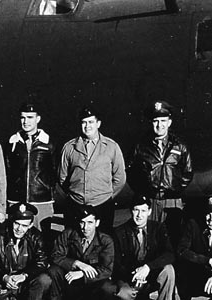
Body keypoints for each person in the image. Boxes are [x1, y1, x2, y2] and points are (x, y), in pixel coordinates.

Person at [127, 101, 193, 245]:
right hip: (151, 201)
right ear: (151, 123)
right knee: (150, 239)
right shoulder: (140, 146)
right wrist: (144, 191)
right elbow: (131, 173)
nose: (159, 125)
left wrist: (174, 190)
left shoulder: (179, 146)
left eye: (163, 121)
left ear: (169, 122)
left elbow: (187, 172)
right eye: (156, 121)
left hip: (172, 201)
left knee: (174, 238)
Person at [58, 106, 126, 234]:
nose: (87, 126)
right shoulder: (69, 147)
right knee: (73, 240)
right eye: (84, 122)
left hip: (102, 205)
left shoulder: (111, 147)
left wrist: (105, 196)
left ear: (98, 124)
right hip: (76, 204)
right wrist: (76, 194)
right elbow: (62, 177)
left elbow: (120, 178)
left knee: (103, 241)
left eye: (91, 122)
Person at [111, 195, 176, 300]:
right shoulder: (119, 232)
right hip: (129, 276)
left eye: (143, 211)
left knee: (168, 270)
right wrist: (135, 274)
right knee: (124, 294)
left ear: (149, 212)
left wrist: (148, 267)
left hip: (151, 273)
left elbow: (169, 254)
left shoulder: (158, 228)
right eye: (136, 210)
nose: (139, 215)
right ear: (131, 211)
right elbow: (116, 264)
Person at [5, 103, 56, 228]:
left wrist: (46, 190)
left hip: (41, 201)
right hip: (17, 201)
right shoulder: (12, 143)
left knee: (42, 239)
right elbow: (7, 170)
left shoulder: (49, 143)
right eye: (23, 117)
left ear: (38, 119)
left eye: (30, 117)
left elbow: (56, 172)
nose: (25, 121)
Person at [47, 205, 115, 300]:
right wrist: (77, 263)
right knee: (53, 270)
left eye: (90, 222)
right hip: (69, 276)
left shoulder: (105, 241)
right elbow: (55, 255)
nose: (85, 227)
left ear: (97, 223)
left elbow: (106, 269)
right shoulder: (68, 234)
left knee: (108, 288)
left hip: (91, 281)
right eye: (82, 222)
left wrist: (82, 273)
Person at [0, 202, 51, 300]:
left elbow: (41, 262)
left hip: (24, 281)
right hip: (4, 279)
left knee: (44, 280)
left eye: (24, 226)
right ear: (11, 221)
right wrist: (4, 277)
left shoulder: (36, 237)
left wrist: (24, 275)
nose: (19, 229)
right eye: (16, 224)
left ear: (30, 225)